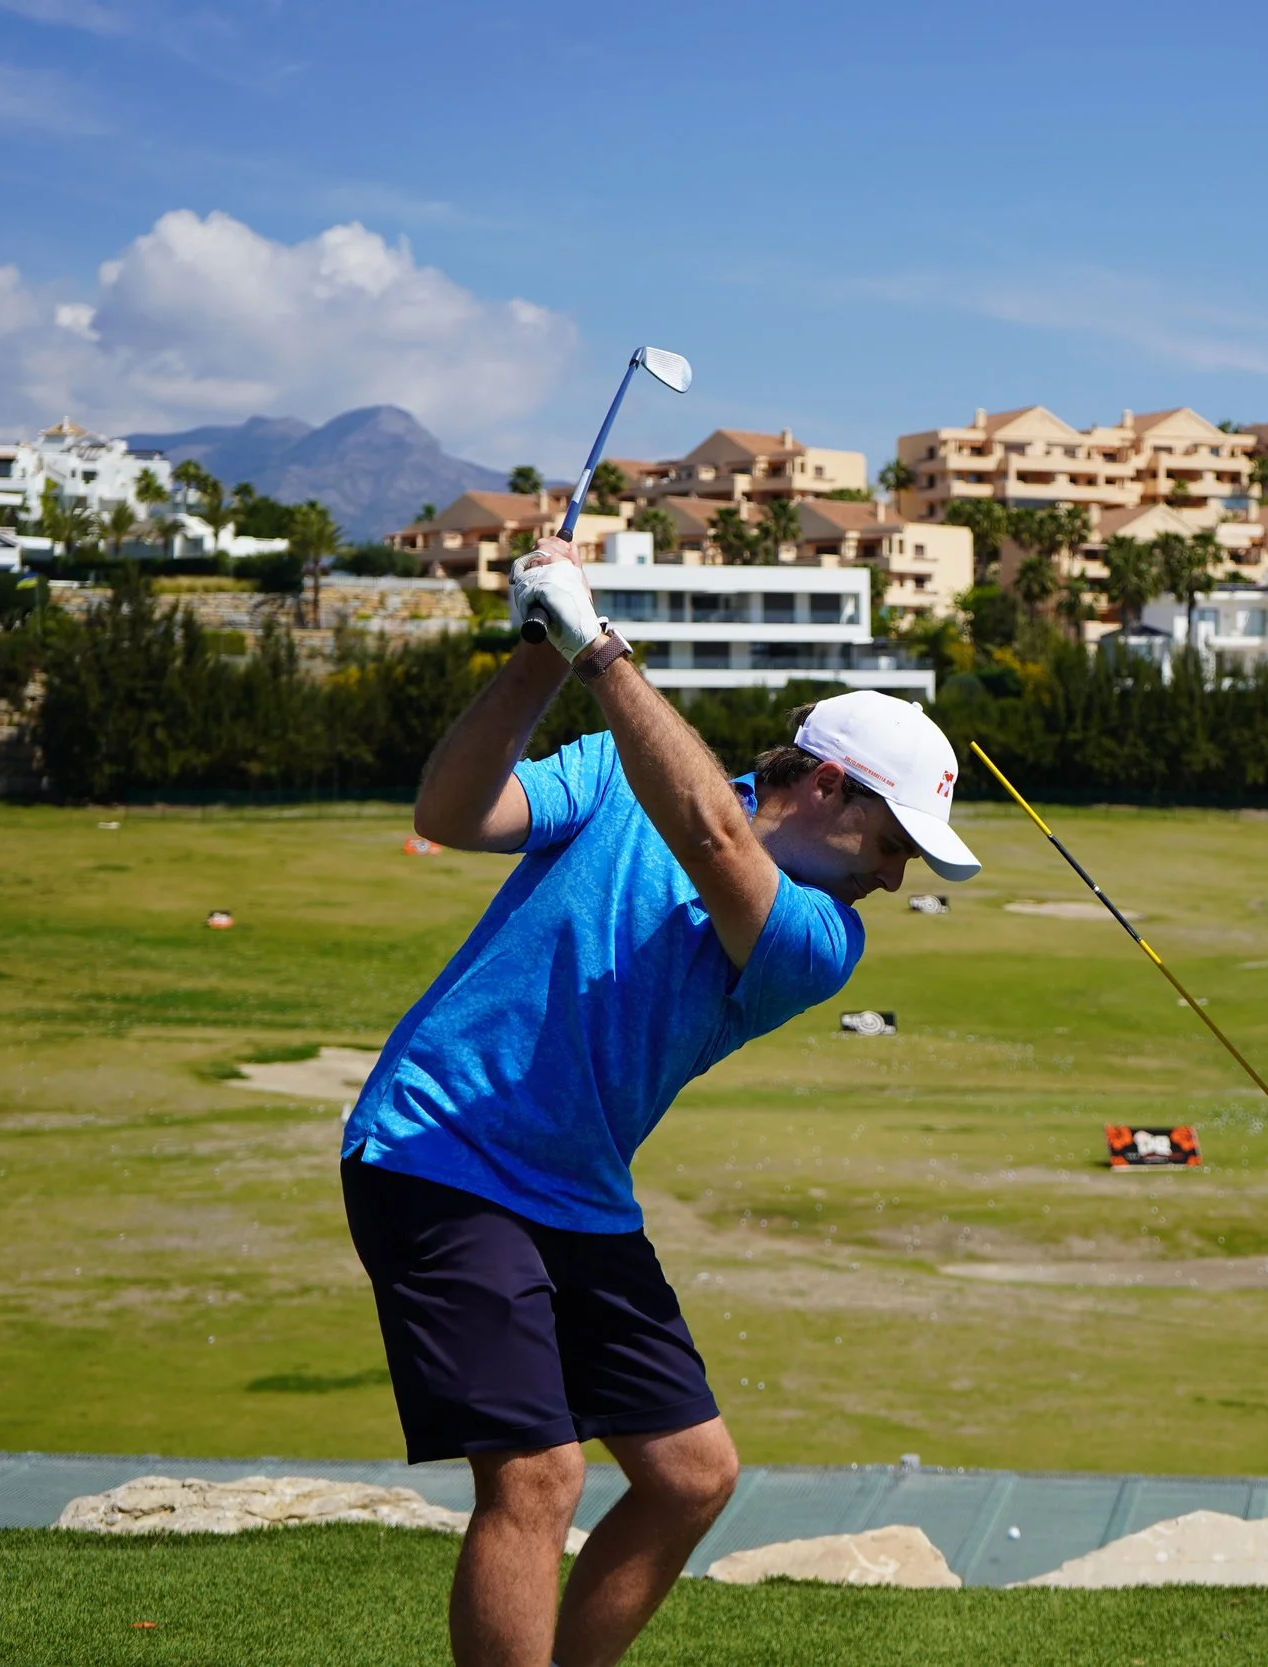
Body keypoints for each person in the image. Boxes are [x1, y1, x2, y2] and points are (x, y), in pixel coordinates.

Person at [340, 537, 980, 1667]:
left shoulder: (822, 939)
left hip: (576, 1190)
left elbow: (712, 834)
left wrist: (596, 643)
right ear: (827, 783)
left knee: (691, 1472)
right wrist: (539, 653)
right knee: (538, 1472)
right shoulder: (606, 777)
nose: (893, 877)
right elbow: (451, 812)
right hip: (439, 1146)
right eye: (890, 844)